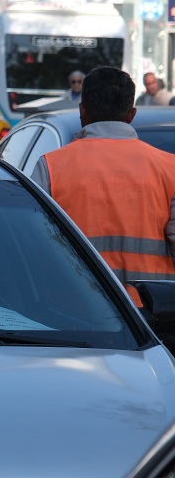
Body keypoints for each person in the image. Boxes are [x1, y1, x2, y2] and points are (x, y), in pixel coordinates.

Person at [33, 66, 175, 306]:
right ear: (131, 114)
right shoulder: (169, 167)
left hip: (76, 308)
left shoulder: (51, 167)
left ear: (82, 111)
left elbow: (34, 246)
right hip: (154, 313)